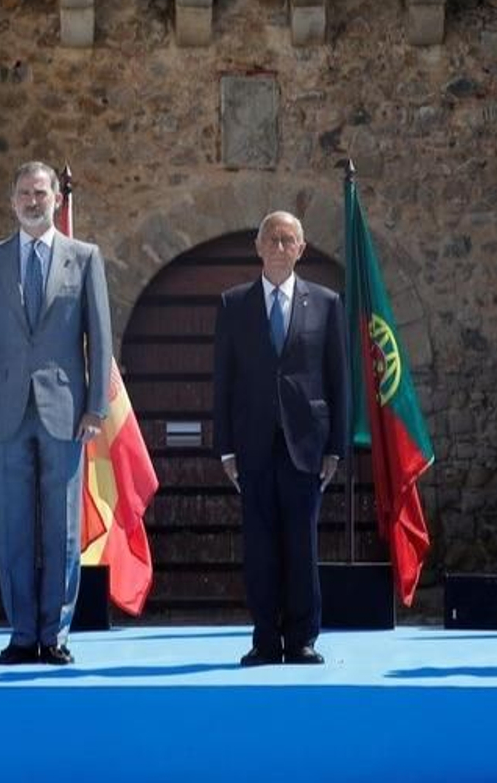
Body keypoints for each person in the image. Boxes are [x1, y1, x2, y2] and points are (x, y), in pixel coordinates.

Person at [0, 161, 111, 666]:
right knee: (14, 526)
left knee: (62, 529)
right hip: (5, 413)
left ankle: (56, 633)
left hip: (65, 411)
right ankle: (23, 634)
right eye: (23, 192)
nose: (32, 200)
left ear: (56, 200)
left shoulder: (84, 258)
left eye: (40, 192)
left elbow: (99, 336)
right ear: (12, 201)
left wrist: (96, 406)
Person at [213, 211, 348, 666]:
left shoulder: (327, 302)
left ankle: (303, 638)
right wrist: (225, 447)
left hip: (306, 445)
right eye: (271, 239)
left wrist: (336, 447)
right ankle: (266, 639)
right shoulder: (234, 304)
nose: (278, 247)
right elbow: (223, 381)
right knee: (260, 548)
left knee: (302, 545)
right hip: (252, 445)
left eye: (287, 240)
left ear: (301, 249)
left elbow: (338, 379)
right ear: (257, 247)